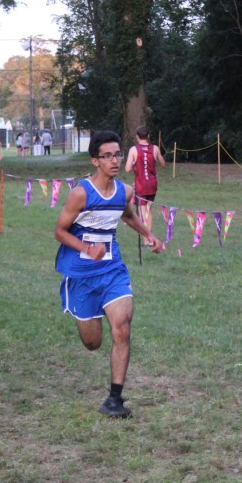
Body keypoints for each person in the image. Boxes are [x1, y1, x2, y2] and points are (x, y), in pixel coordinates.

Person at [54, 130, 164, 418]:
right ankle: (82, 309)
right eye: (108, 156)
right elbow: (59, 231)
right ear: (95, 161)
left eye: (117, 154)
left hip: (112, 270)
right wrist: (86, 248)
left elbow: (127, 215)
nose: (115, 161)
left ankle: (115, 400)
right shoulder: (81, 193)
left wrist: (149, 234)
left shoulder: (124, 191)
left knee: (122, 327)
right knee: (93, 343)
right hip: (81, 274)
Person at [124, 125, 166, 211]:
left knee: (142, 213)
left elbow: (127, 169)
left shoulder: (133, 150)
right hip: (152, 184)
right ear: (148, 136)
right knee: (148, 210)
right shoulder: (155, 148)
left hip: (140, 184)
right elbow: (163, 164)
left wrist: (133, 163)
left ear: (137, 136)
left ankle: (142, 220)